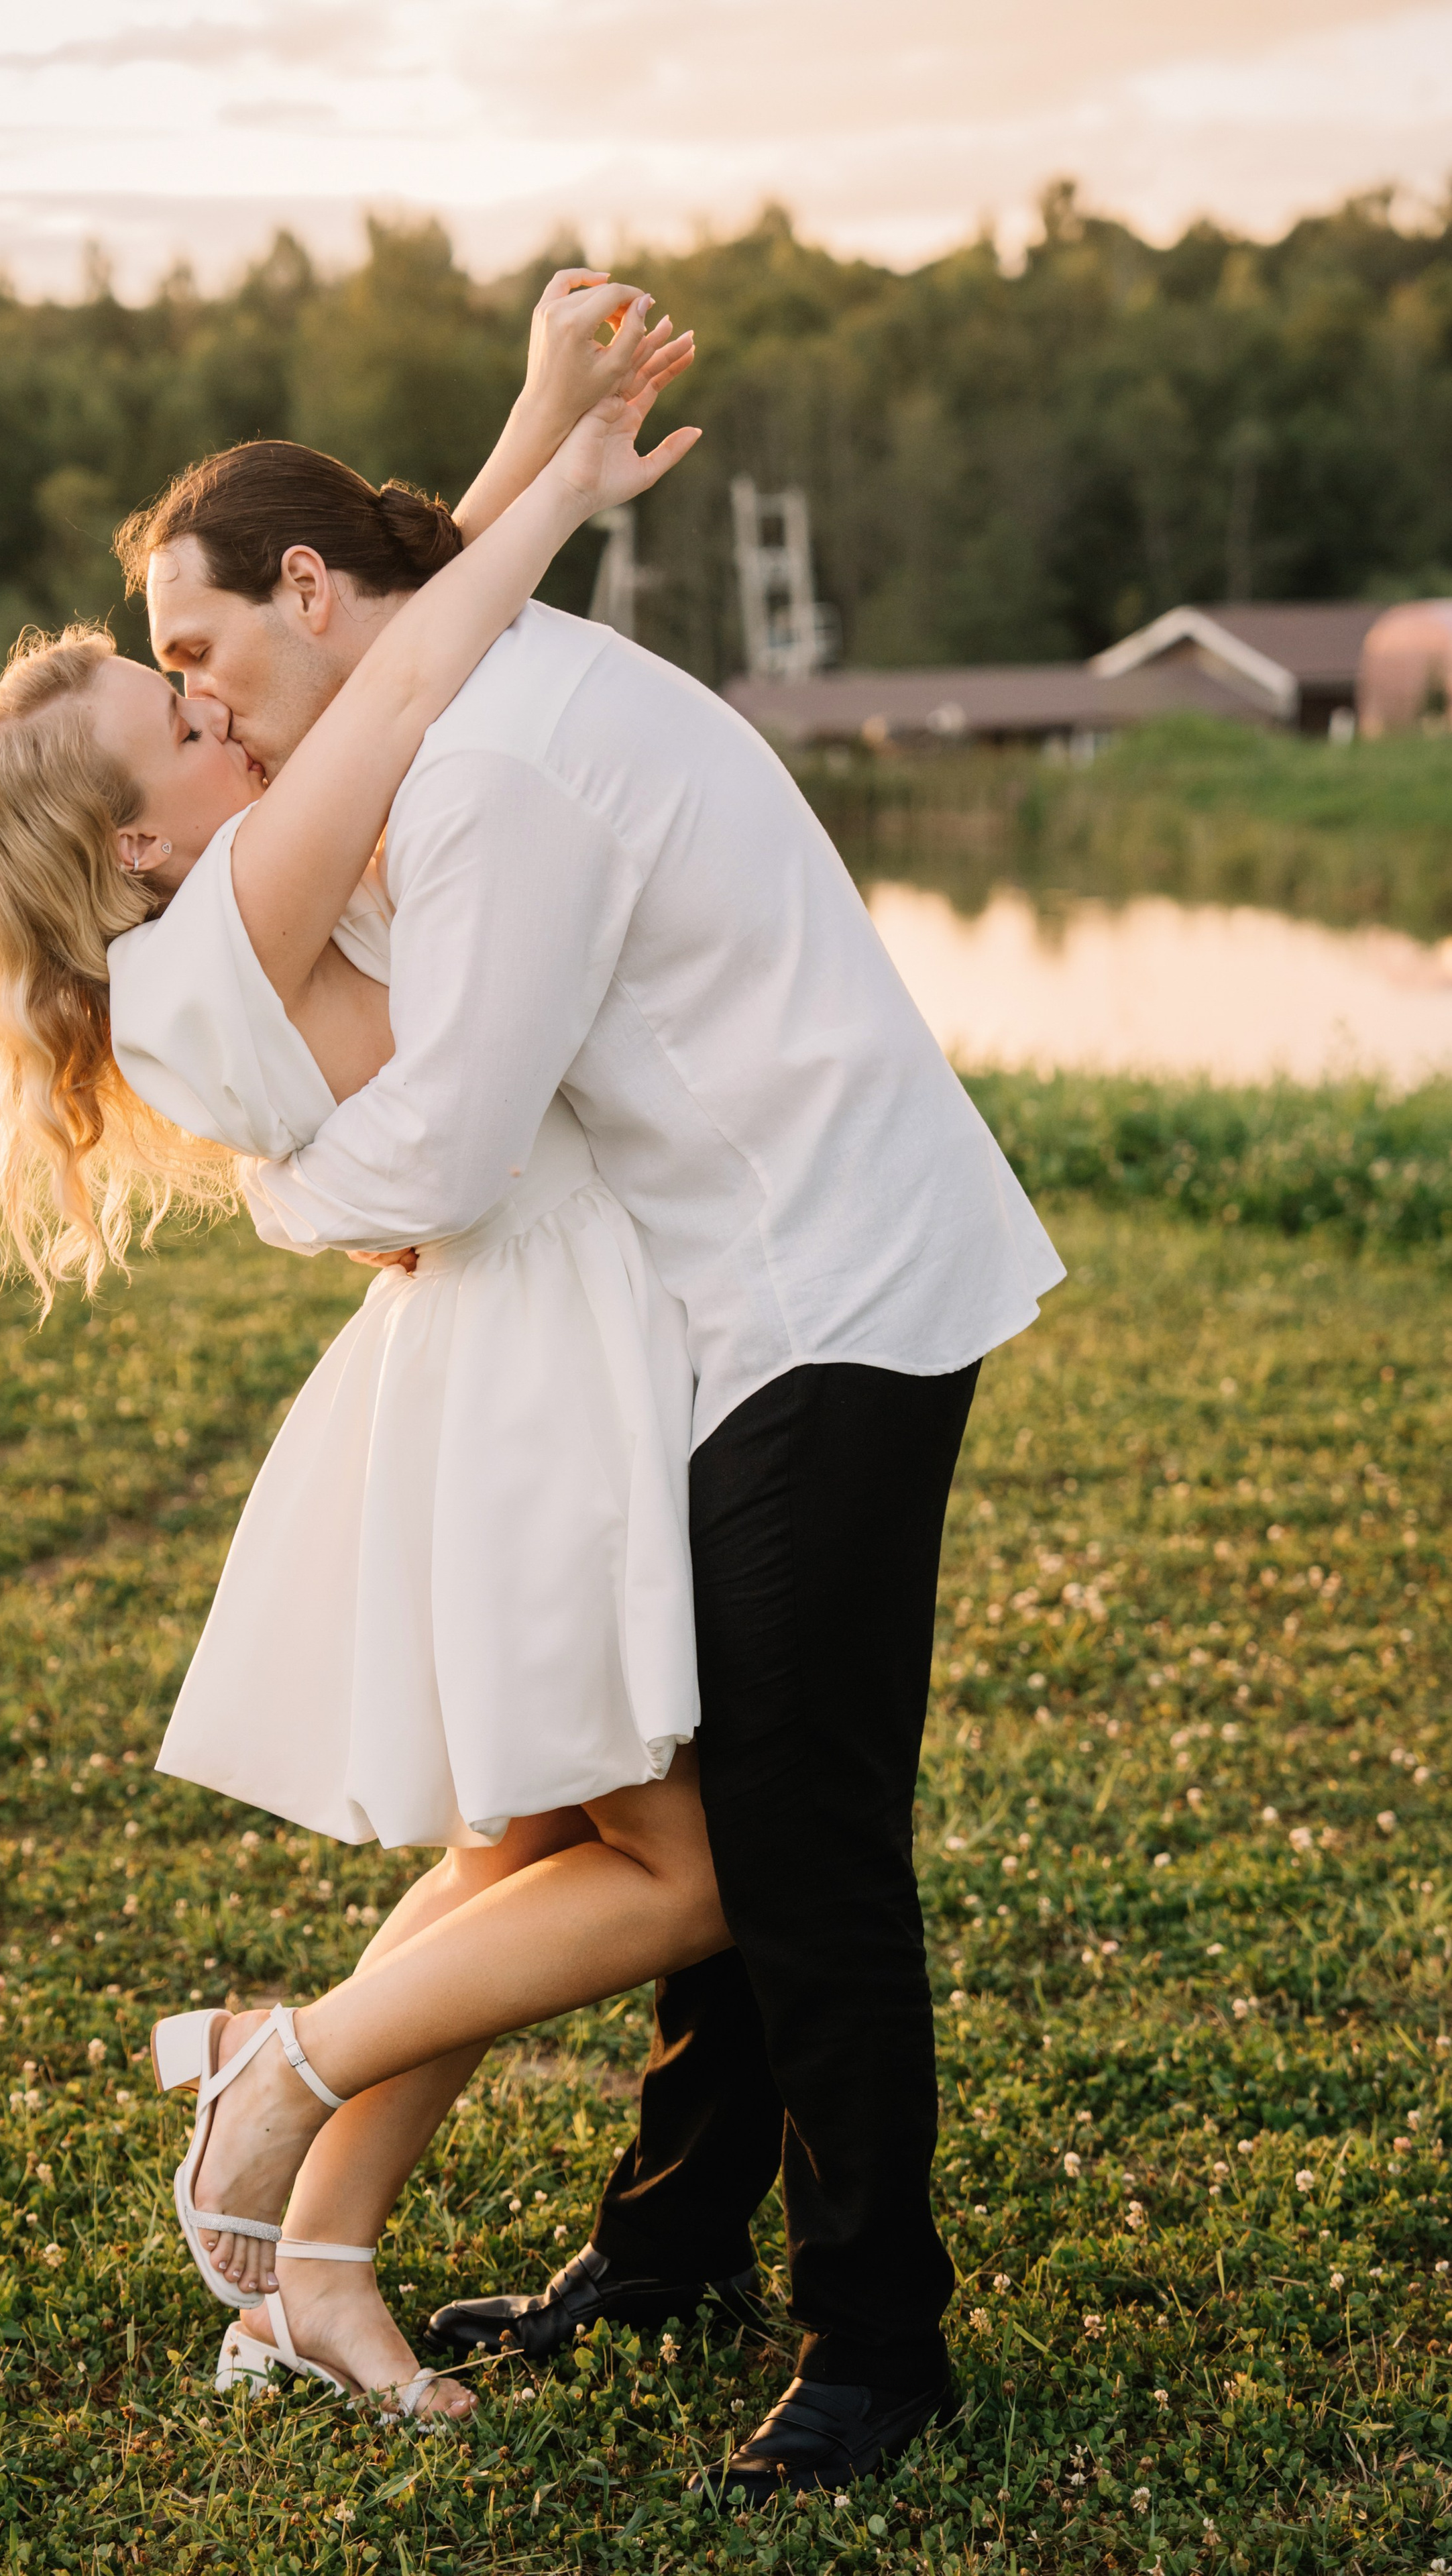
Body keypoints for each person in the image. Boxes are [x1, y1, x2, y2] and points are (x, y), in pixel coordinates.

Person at [115, 396, 1065, 2495]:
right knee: (723, 1792)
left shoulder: (498, 771)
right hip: (730, 1298)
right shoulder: (465, 693)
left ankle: (876, 2349)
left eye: (195, 660)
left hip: (825, 1292)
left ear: (303, 593)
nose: (197, 701)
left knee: (797, 1844)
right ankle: (665, 2260)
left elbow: (444, 1149)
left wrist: (266, 1186)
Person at [0, 276, 731, 2424]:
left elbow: (345, 634)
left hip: (512, 1345)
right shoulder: (238, 894)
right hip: (528, 1355)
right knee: (681, 1868)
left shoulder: (209, 899)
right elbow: (398, 653)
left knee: (528, 1849)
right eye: (177, 714)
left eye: (200, 677)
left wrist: (542, 439)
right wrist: (548, 463)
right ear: (137, 840)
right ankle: (278, 2078)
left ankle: (309, 2261)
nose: (227, 708)